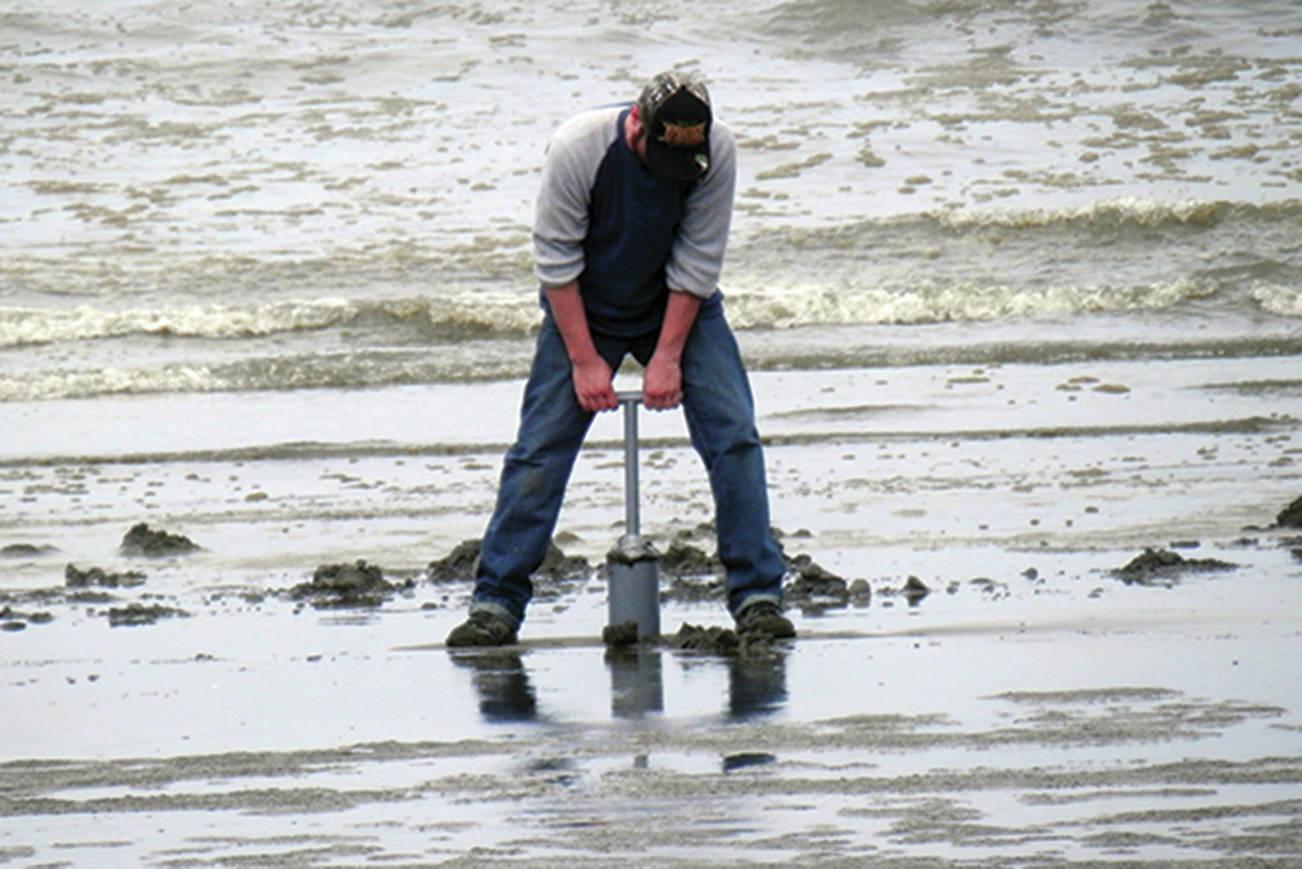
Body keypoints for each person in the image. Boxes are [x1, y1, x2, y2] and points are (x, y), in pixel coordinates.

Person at [446, 70, 794, 647]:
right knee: (540, 451)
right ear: (637, 123)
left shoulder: (717, 150)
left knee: (733, 435)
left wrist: (667, 357)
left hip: (678, 304)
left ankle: (757, 595)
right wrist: (585, 361)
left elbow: (699, 263)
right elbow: (556, 262)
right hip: (584, 303)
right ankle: (496, 603)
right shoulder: (579, 147)